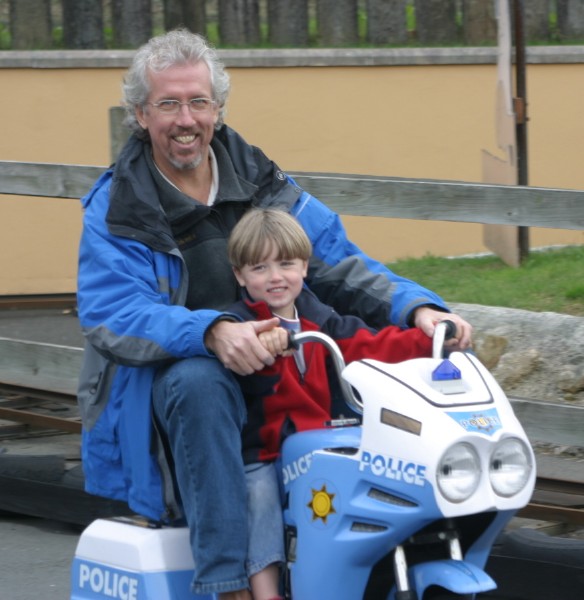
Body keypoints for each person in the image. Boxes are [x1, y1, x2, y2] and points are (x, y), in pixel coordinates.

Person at [76, 28, 472, 600]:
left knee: (364, 361)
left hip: (278, 364)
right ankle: (230, 584)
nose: (185, 119)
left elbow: (336, 261)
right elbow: (114, 311)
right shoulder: (117, 205)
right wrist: (210, 331)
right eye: (168, 104)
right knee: (200, 382)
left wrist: (420, 310)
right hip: (176, 384)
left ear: (218, 108)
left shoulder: (260, 180)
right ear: (140, 114)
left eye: (198, 102)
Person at [226, 208, 435, 600]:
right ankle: (265, 587)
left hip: (319, 446)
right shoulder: (238, 326)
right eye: (259, 267)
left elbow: (371, 345)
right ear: (240, 275)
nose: (275, 277)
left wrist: (430, 339)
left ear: (304, 267)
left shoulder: (319, 321)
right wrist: (262, 353)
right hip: (265, 450)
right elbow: (246, 383)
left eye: (286, 263)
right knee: (259, 496)